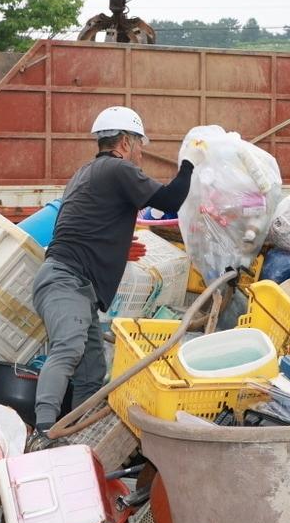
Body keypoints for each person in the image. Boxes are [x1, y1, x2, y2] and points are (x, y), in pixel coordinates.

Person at [31, 107, 195, 428]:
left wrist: (118, 251)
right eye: (139, 144)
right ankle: (44, 430)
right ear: (124, 142)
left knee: (91, 373)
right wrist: (190, 164)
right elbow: (170, 200)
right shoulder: (118, 170)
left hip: (73, 284)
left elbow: (93, 224)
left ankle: (77, 433)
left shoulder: (87, 172)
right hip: (67, 281)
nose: (141, 152)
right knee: (68, 349)